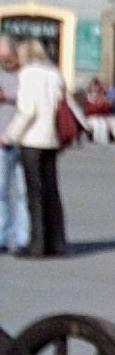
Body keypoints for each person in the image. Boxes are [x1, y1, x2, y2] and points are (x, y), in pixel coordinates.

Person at [5, 39, 69, 256]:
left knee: (35, 194)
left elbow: (27, 110)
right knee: (52, 192)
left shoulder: (28, 74)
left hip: (32, 140)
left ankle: (38, 243)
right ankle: (58, 243)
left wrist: (9, 135)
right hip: (52, 139)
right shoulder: (54, 73)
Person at [0, 36, 31, 254]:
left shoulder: (27, 75)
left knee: (22, 193)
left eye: (8, 56)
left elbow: (33, 100)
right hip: (1, 140)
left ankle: (23, 239)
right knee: (0, 191)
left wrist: (8, 96)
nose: (5, 61)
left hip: (25, 140)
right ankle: (1, 236)